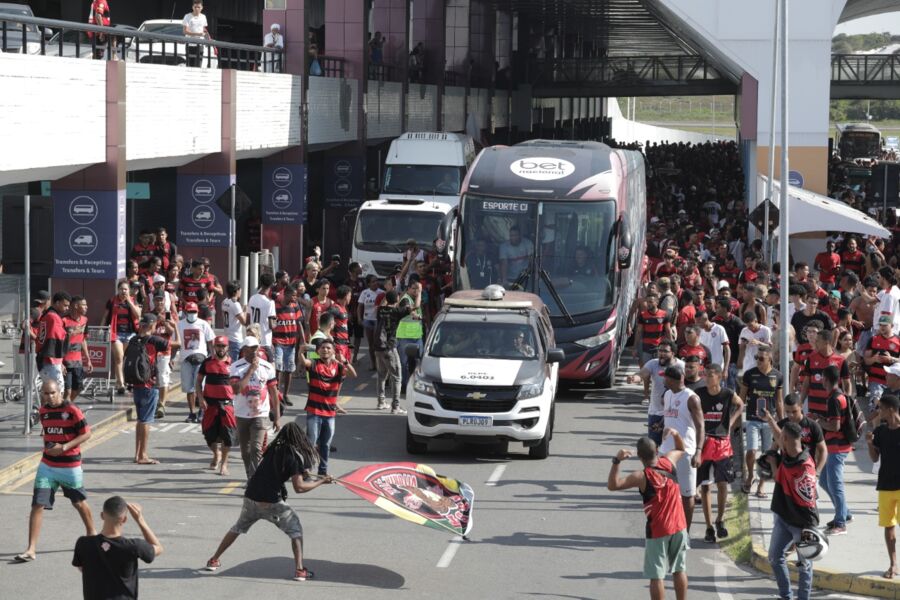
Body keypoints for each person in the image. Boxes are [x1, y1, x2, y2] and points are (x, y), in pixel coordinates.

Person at [203, 423, 333, 581]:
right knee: (295, 530)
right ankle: (300, 570)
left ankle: (213, 560)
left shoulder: (272, 450)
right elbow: (299, 487)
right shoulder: (295, 456)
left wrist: (303, 471)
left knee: (237, 528)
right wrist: (322, 482)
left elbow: (281, 469)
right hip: (272, 502)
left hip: (251, 496)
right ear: (300, 438)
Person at [14, 380, 95, 563]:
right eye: (45, 393)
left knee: (79, 502)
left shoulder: (72, 410)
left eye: (52, 393)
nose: (49, 397)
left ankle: (92, 534)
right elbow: (49, 436)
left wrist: (64, 447)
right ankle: (31, 549)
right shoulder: (44, 411)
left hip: (69, 467)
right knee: (37, 504)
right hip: (47, 466)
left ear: (59, 391)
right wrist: (51, 449)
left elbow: (87, 434)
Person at [607, 429, 689, 600]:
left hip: (658, 530)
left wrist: (616, 461)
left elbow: (613, 485)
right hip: (680, 526)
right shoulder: (669, 462)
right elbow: (682, 449)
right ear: (657, 451)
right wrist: (674, 434)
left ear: (639, 456)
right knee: (679, 569)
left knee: (656, 576)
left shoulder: (641, 476)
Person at [767, 422, 820, 600]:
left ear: (787, 439)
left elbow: (809, 500)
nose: (779, 439)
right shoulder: (788, 451)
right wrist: (767, 418)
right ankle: (786, 596)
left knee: (804, 564)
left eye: (782, 437)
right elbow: (777, 434)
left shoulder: (805, 467)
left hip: (802, 524)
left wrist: (810, 530)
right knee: (775, 557)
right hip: (784, 518)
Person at [72, 497, 163, 600]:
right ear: (124, 519)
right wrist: (140, 520)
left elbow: (81, 567)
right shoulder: (133, 546)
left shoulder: (83, 543)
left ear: (102, 515)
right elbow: (158, 548)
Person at [696, 364, 743, 543]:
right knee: (706, 486)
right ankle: (708, 527)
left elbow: (740, 405)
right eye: (705, 375)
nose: (707, 378)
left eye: (710, 375)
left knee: (722, 483)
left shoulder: (727, 394)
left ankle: (720, 519)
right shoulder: (699, 393)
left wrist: (730, 422)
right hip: (705, 441)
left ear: (718, 377)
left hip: (722, 442)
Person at [659, 365, 705, 535]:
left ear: (674, 379)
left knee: (687, 495)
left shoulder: (691, 398)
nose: (663, 380)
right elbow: (671, 419)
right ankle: (669, 529)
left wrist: (699, 451)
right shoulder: (667, 394)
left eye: (666, 377)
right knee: (665, 493)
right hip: (666, 452)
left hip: (686, 452)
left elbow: (701, 426)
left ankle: (684, 534)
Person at [300, 339, 356, 476]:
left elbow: (353, 375)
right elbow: (304, 362)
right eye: (323, 348)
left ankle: (323, 471)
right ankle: (306, 470)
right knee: (311, 442)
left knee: (325, 444)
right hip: (314, 411)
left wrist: (345, 361)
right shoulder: (314, 364)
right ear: (318, 351)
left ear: (333, 352)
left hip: (330, 413)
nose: (325, 350)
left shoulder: (338, 367)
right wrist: (301, 351)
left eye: (328, 348)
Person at [809, 364, 852, 536]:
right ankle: (844, 513)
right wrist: (820, 418)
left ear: (826, 379)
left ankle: (841, 523)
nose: (821, 381)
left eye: (822, 378)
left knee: (835, 484)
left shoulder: (835, 398)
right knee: (825, 482)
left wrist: (818, 423)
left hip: (837, 446)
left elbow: (835, 425)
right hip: (833, 446)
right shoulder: (837, 395)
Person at [230, 336, 280, 479]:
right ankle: (250, 476)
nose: (254, 351)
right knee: (245, 452)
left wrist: (276, 417)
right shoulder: (235, 367)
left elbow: (274, 393)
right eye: (250, 348)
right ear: (244, 350)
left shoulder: (267, 367)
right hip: (242, 414)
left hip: (260, 414)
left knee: (256, 448)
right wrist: (251, 370)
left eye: (256, 348)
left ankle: (254, 481)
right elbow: (236, 389)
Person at [739, 346, 783, 497]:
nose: (757, 360)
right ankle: (751, 476)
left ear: (770, 359)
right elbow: (741, 399)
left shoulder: (777, 375)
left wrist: (781, 422)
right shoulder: (749, 374)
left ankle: (761, 485)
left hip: (769, 422)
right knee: (751, 450)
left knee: (767, 454)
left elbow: (779, 401)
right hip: (752, 418)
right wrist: (738, 420)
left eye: (761, 358)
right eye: (756, 357)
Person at [867, 394, 900, 579]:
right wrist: (870, 443)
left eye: (881, 408)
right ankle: (893, 564)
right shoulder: (880, 431)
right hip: (886, 486)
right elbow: (874, 458)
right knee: (889, 527)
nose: (879, 412)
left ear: (891, 410)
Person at [627, 340, 684, 445]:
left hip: (675, 414)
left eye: (665, 351)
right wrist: (634, 378)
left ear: (673, 353)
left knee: (672, 447)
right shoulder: (653, 363)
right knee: (654, 446)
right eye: (660, 351)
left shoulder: (681, 366)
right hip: (656, 413)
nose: (661, 353)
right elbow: (642, 374)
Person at [131, 314, 170, 465]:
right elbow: (177, 343)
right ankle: (143, 455)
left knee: (140, 419)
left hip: (136, 383)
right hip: (149, 384)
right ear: (152, 325)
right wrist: (174, 328)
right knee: (146, 421)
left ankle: (137, 454)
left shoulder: (134, 339)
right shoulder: (154, 340)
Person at [197, 336, 237, 476]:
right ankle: (216, 454)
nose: (221, 348)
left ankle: (224, 464)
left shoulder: (233, 364)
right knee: (209, 434)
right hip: (210, 404)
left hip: (227, 405)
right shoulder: (207, 362)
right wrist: (200, 398)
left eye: (223, 346)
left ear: (227, 347)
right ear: (214, 347)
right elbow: (198, 381)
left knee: (228, 436)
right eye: (218, 346)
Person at [763, 395, 828, 474]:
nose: (791, 415)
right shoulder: (781, 425)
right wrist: (768, 463)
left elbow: (823, 450)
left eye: (794, 411)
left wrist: (817, 472)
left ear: (801, 406)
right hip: (785, 473)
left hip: (806, 472)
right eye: (787, 412)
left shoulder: (813, 425)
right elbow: (774, 449)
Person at [373, 289, 412, 413]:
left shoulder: (380, 310)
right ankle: (395, 406)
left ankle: (381, 402)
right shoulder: (397, 311)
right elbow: (415, 306)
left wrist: (390, 293)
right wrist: (420, 292)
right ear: (397, 300)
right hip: (389, 347)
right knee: (397, 377)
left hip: (378, 347)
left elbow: (383, 303)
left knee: (381, 375)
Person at [178, 302, 215, 423]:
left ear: (197, 312)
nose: (192, 314)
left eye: (194, 312)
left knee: (201, 386)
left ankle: (202, 411)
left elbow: (211, 341)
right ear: (185, 312)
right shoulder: (180, 325)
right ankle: (191, 413)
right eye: (190, 312)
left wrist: (213, 357)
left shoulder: (203, 324)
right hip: (186, 360)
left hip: (200, 360)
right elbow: (177, 342)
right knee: (189, 389)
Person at [103, 279, 141, 395]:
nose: (123, 291)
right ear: (118, 290)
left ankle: (126, 381)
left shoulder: (133, 300)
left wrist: (129, 301)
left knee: (126, 359)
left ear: (129, 291)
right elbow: (105, 316)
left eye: (125, 289)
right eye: (121, 289)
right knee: (119, 357)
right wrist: (101, 329)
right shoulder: (112, 301)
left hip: (130, 334)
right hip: (116, 333)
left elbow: (138, 315)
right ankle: (120, 384)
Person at [272, 284, 305, 407]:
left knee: (289, 369)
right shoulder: (275, 306)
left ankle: (285, 395)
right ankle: (277, 394)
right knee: (278, 369)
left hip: (291, 344)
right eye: (294, 295)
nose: (296, 297)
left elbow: (299, 324)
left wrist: (303, 340)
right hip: (278, 342)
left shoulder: (295, 306)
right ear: (286, 294)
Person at [37, 291, 71, 390]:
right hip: (51, 360)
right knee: (56, 390)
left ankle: (43, 406)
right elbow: (56, 341)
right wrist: (68, 333)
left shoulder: (47, 315)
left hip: (45, 357)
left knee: (48, 390)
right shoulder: (53, 317)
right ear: (57, 303)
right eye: (65, 305)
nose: (67, 308)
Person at [396, 280, 424, 393]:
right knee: (404, 363)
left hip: (417, 336)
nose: (416, 291)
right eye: (414, 288)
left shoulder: (413, 298)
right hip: (404, 337)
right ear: (408, 289)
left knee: (418, 362)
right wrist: (420, 292)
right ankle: (404, 385)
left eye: (417, 289)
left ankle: (415, 385)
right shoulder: (405, 299)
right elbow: (415, 309)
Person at [62, 296, 91, 402]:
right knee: (67, 391)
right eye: (84, 305)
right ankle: (65, 408)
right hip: (66, 361)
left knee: (78, 388)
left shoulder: (85, 320)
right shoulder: (64, 320)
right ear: (75, 306)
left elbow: (83, 339)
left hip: (78, 362)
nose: (86, 307)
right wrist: (72, 333)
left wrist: (88, 359)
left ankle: (66, 406)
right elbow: (60, 341)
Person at [634, 293, 673, 367]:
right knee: (647, 369)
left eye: (651, 302)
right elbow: (639, 332)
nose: (648, 304)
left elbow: (668, 331)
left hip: (659, 348)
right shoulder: (642, 315)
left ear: (657, 303)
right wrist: (635, 348)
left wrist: (671, 346)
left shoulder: (664, 315)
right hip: (646, 348)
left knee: (659, 368)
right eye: (647, 302)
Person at [358, 275, 382, 371]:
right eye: (373, 281)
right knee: (371, 343)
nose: (375, 283)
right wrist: (359, 318)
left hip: (378, 320)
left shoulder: (382, 292)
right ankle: (373, 363)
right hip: (367, 319)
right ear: (368, 284)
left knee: (377, 343)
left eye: (376, 281)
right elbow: (360, 306)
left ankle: (379, 363)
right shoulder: (364, 293)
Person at [221, 281, 247, 363]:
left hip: (227, 336)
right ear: (236, 291)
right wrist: (246, 310)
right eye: (240, 290)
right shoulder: (235, 304)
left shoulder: (224, 301)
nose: (241, 292)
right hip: (235, 339)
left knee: (228, 362)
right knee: (234, 365)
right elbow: (244, 322)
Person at [183, 0, 209, 68]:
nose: (197, 9)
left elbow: (204, 29)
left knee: (198, 66)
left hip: (200, 44)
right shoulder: (187, 16)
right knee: (189, 66)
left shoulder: (203, 17)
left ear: (202, 7)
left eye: (198, 7)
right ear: (192, 7)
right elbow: (185, 31)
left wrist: (207, 39)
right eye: (195, 7)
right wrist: (198, 34)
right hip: (190, 44)